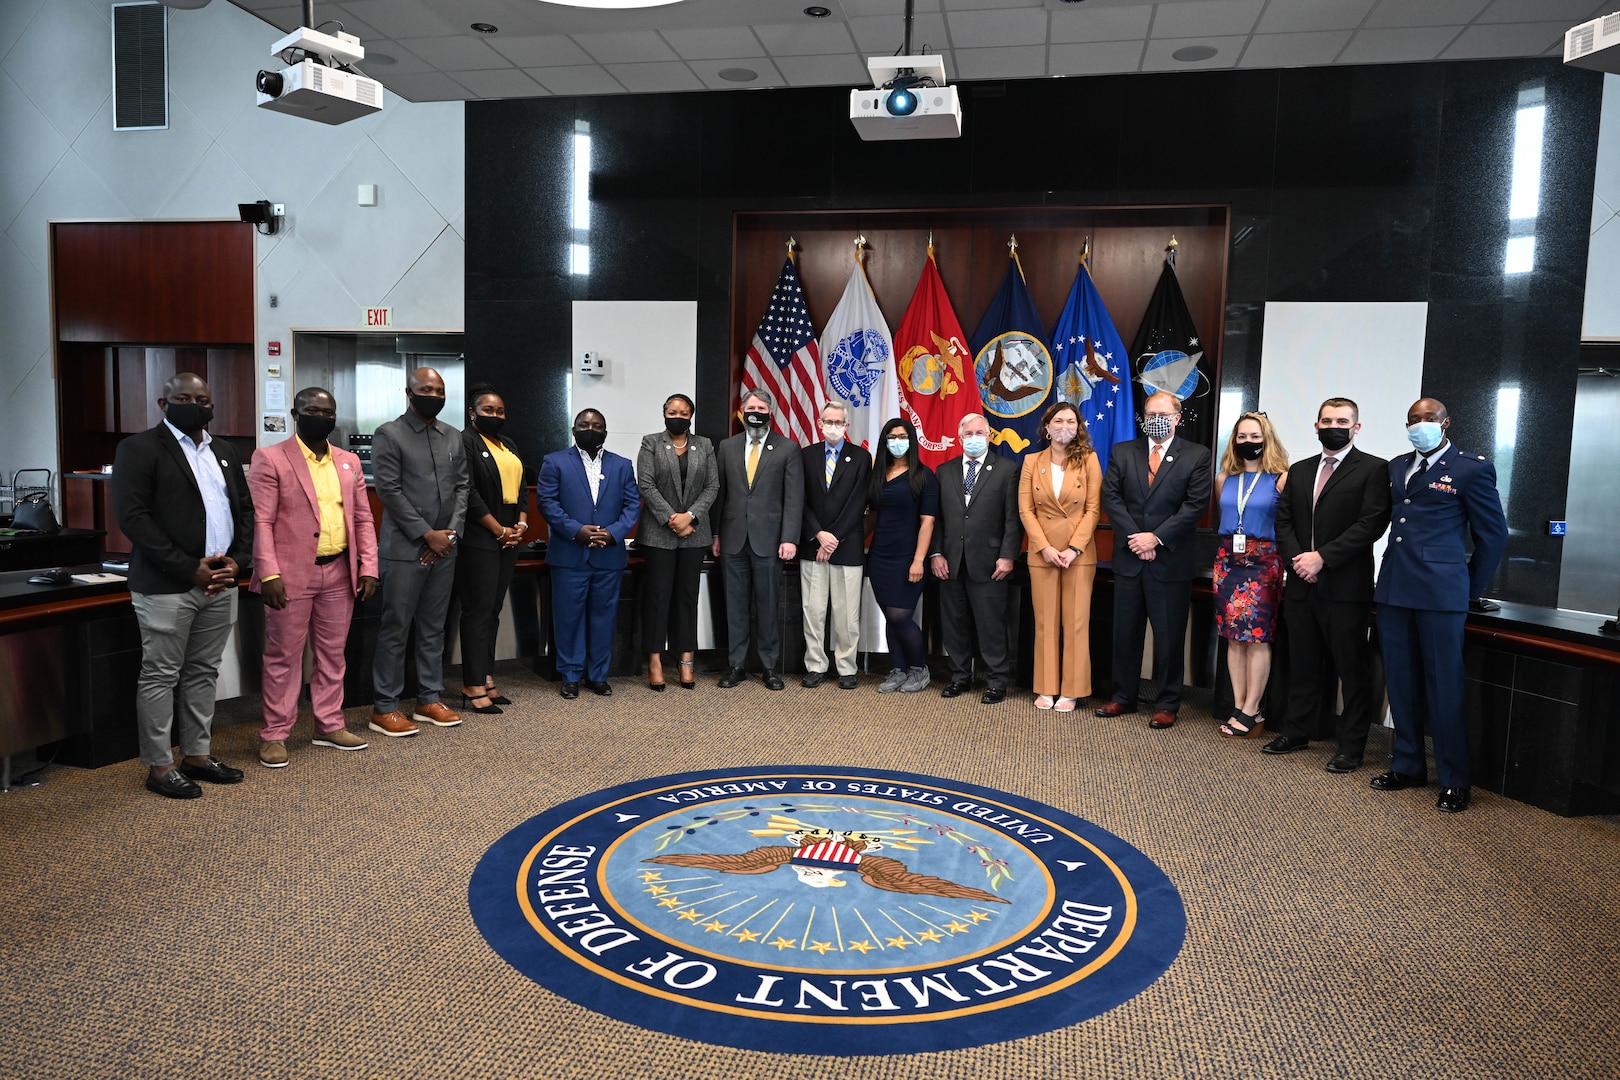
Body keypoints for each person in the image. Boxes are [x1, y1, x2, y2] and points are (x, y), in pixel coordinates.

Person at [112, 372, 253, 798]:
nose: (196, 405)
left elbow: (245, 513)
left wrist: (238, 562)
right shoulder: (137, 449)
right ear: (163, 403)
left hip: (221, 580)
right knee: (160, 674)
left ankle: (197, 754)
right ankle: (159, 766)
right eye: (185, 398)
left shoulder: (224, 451)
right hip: (167, 584)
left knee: (203, 672)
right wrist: (188, 567)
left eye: (203, 399)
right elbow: (134, 518)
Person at [1371, 398, 1507, 813]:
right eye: (1414, 419)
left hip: (1440, 594)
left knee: (1444, 687)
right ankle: (1409, 765)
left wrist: (1467, 589)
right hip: (1394, 589)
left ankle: (1454, 778)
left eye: (1429, 419)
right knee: (1401, 682)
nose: (1421, 425)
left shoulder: (1471, 468)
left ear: (1446, 423)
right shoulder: (1396, 466)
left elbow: (1494, 536)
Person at [248, 388, 378, 769]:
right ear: (295, 413)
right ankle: (275, 733)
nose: (321, 416)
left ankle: (329, 724)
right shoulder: (270, 458)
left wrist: (368, 565)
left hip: (340, 572)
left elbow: (363, 519)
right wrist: (268, 571)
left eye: (328, 411)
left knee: (332, 655)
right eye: (312, 410)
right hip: (289, 575)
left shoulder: (348, 461)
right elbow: (262, 520)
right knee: (283, 657)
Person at [1265, 397, 1391, 773]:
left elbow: (1371, 525)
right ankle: (1296, 731)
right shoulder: (1300, 470)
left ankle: (1351, 747)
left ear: (1356, 427)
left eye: (1342, 420)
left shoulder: (1373, 469)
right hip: (1301, 585)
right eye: (1327, 420)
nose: (1333, 425)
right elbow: (1283, 522)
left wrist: (1323, 557)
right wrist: (1298, 561)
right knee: (1302, 664)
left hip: (1346, 588)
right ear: (1316, 425)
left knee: (1351, 671)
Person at [1097, 391, 1213, 729]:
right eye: (1150, 414)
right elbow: (1112, 498)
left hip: (1170, 561)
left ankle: (1167, 703)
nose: (1155, 419)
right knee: (1126, 633)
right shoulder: (1123, 451)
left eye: (1162, 413)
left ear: (1177, 417)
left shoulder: (1197, 455)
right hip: (1130, 558)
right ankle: (1123, 697)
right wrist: (1138, 538)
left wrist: (1156, 538)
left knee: (1169, 636)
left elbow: (1194, 506)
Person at [370, 367, 468, 737]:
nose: (434, 394)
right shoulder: (389, 434)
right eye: (426, 389)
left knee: (433, 628)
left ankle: (428, 697)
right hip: (404, 549)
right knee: (396, 628)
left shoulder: (453, 436)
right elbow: (389, 491)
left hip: (445, 549)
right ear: (409, 393)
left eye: (440, 389)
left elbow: (462, 488)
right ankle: (385, 706)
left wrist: (449, 535)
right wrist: (427, 534)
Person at [537, 408, 641, 699]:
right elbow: (547, 503)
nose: (590, 429)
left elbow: (632, 506)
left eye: (597, 425)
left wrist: (613, 533)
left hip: (609, 556)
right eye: (584, 424)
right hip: (569, 554)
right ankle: (570, 675)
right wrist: (577, 531)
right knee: (568, 618)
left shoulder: (622, 465)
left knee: (604, 618)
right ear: (574, 429)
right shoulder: (555, 461)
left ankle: (598, 675)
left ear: (605, 432)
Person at [712, 388, 802, 690]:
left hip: (770, 540)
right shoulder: (726, 446)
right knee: (734, 606)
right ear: (741, 410)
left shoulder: (787, 448)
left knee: (767, 605)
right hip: (732, 540)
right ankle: (736, 666)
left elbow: (793, 499)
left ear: (770, 412)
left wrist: (789, 537)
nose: (755, 411)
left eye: (761, 407)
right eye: (751, 406)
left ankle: (769, 667)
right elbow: (719, 494)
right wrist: (715, 534)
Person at [933, 412, 1022, 705]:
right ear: (959, 439)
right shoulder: (944, 471)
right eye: (968, 434)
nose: (973, 438)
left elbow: (1013, 519)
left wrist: (1008, 556)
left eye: (979, 433)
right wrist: (936, 553)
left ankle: (996, 680)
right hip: (951, 561)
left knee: (991, 624)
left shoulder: (1007, 470)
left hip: (990, 561)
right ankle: (959, 676)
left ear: (989, 436)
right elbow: (937, 519)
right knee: (954, 622)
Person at [1018, 402, 1102, 711]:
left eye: (1070, 421)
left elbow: (1093, 509)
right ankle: (1046, 687)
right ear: (1047, 426)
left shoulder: (1089, 461)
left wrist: (1073, 548)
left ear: (1078, 427)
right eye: (1058, 420)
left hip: (1078, 554)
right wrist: (1045, 547)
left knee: (1076, 623)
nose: (1063, 425)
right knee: (1045, 623)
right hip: (1043, 553)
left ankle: (1071, 689)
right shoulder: (1031, 461)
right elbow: (1026, 510)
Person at [1210, 412, 1288, 738]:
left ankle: (1253, 709)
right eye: (1242, 436)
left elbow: (1287, 523)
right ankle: (1239, 705)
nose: (1248, 442)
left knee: (1256, 638)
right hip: (1227, 561)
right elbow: (1225, 516)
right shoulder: (1223, 478)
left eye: (1255, 436)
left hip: (1264, 563)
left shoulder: (1282, 478)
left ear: (1266, 438)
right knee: (1232, 638)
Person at [636, 394, 718, 692]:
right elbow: (645, 484)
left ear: (691, 415)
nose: (678, 416)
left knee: (687, 597)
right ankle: (655, 660)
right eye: (672, 411)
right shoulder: (651, 442)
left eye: (683, 412)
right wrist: (672, 518)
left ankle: (685, 660)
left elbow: (713, 485)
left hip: (695, 533)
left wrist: (690, 517)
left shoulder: (705, 444)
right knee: (658, 597)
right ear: (664, 414)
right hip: (659, 532)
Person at [457, 383, 530, 714]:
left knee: (493, 610)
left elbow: (523, 491)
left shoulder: (509, 444)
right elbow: (469, 492)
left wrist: (521, 526)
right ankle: (471, 684)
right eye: (488, 410)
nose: (495, 415)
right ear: (473, 412)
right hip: (480, 535)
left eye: (500, 411)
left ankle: (486, 675)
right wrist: (497, 529)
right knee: (477, 610)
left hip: (509, 535)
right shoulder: (466, 441)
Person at [799, 401, 872, 690]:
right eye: (828, 422)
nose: (833, 427)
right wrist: (819, 534)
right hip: (812, 545)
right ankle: (815, 665)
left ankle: (846, 667)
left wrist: (832, 539)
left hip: (848, 545)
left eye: (838, 422)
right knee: (813, 611)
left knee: (846, 614)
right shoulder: (805, 456)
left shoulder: (861, 457)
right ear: (819, 423)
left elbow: (858, 504)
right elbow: (799, 500)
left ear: (847, 426)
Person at [867, 417, 939, 695]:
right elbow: (873, 514)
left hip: (908, 557)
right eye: (892, 437)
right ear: (885, 442)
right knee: (889, 615)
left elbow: (927, 522)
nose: (897, 442)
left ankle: (919, 669)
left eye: (902, 436)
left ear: (911, 440)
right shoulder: (878, 473)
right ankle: (897, 669)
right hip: (879, 556)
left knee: (900, 616)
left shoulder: (923, 475)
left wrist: (919, 560)